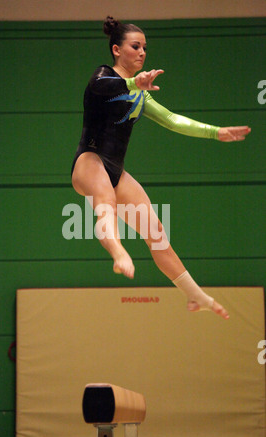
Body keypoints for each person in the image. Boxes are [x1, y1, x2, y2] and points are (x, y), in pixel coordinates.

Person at [71, 16, 251, 320]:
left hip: (116, 170)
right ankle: (118, 253)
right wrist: (133, 83)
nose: (142, 52)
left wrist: (215, 132)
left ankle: (195, 296)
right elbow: (110, 88)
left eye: (145, 48)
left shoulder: (140, 94)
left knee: (156, 233)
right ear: (116, 49)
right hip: (90, 161)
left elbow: (171, 119)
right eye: (135, 46)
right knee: (106, 202)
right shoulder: (101, 77)